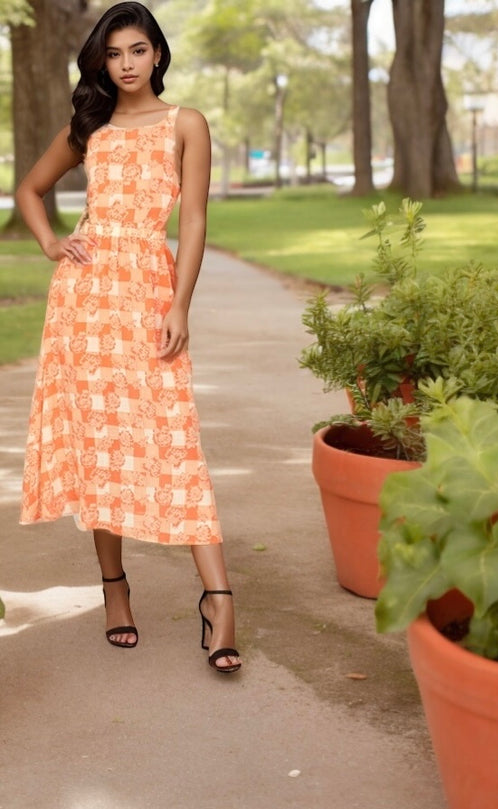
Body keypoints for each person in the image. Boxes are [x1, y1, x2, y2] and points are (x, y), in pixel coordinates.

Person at [16, 1, 241, 674]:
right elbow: (30, 189)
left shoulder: (186, 123)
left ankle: (221, 599)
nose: (126, 65)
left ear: (159, 54)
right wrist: (55, 242)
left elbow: (193, 221)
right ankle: (115, 592)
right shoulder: (91, 125)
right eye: (113, 55)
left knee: (174, 438)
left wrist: (180, 303)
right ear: (101, 63)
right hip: (84, 303)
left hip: (147, 293)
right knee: (99, 442)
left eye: (137, 50)